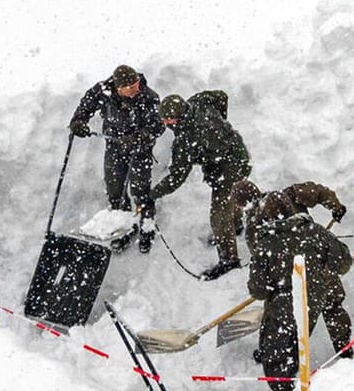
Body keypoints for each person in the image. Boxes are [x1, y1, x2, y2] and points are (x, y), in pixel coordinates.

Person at [247, 192, 354, 391]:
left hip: (284, 303)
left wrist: (273, 282)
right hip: (315, 295)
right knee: (302, 331)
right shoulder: (314, 231)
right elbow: (343, 262)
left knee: (276, 349)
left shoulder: (265, 245)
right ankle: (342, 348)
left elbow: (257, 291)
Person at [148, 92, 252, 280]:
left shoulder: (187, 139)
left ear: (177, 120)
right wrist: (221, 124)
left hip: (228, 169)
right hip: (238, 153)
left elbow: (177, 177)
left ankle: (229, 259)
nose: (165, 124)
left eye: (168, 121)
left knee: (219, 215)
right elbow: (221, 96)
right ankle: (235, 226)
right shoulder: (198, 102)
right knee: (232, 200)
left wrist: (153, 194)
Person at [67, 64, 165, 252]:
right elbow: (85, 106)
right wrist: (78, 121)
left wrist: (138, 137)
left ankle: (146, 227)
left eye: (137, 84)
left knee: (140, 189)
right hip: (114, 146)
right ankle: (123, 227)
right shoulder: (103, 91)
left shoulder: (149, 97)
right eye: (131, 87)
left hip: (140, 149)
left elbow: (158, 126)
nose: (136, 89)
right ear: (118, 88)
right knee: (115, 187)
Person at [231, 178, 347, 244]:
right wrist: (336, 207)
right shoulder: (289, 194)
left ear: (241, 205)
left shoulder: (252, 227)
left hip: (293, 269)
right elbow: (318, 192)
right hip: (313, 244)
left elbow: (260, 256)